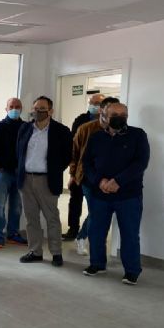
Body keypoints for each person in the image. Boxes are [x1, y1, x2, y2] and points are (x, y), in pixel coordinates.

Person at [82, 102, 150, 285]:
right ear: (104, 116)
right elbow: (87, 164)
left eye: (123, 115)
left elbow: (141, 163)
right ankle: (97, 264)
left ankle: (132, 271)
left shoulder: (138, 135)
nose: (120, 118)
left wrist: (117, 181)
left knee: (129, 234)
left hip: (128, 195)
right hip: (100, 194)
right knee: (96, 231)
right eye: (115, 115)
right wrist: (100, 181)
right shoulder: (96, 137)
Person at [16, 96, 72, 267]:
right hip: (26, 179)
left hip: (47, 180)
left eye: (42, 108)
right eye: (35, 108)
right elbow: (19, 151)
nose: (38, 112)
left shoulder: (61, 130)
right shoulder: (25, 128)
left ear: (50, 111)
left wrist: (54, 171)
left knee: (52, 218)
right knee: (31, 218)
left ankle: (56, 253)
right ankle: (35, 251)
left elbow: (67, 156)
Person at [69, 97, 119, 255]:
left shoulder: (120, 130)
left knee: (102, 211)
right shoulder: (86, 129)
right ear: (102, 110)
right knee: (96, 211)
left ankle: (86, 237)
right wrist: (72, 174)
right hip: (88, 178)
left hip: (110, 180)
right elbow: (74, 153)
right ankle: (83, 238)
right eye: (110, 110)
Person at [0, 97, 27, 248]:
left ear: (21, 109)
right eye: (11, 106)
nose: (14, 109)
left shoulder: (26, 128)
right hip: (2, 173)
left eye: (17, 106)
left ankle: (13, 234)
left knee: (17, 206)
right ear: (6, 109)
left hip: (21, 174)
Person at [63, 92, 105, 241]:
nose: (94, 106)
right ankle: (73, 230)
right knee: (75, 201)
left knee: (96, 206)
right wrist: (72, 174)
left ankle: (84, 234)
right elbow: (74, 147)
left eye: (97, 104)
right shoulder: (81, 121)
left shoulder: (109, 124)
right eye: (92, 103)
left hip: (97, 173)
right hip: (80, 170)